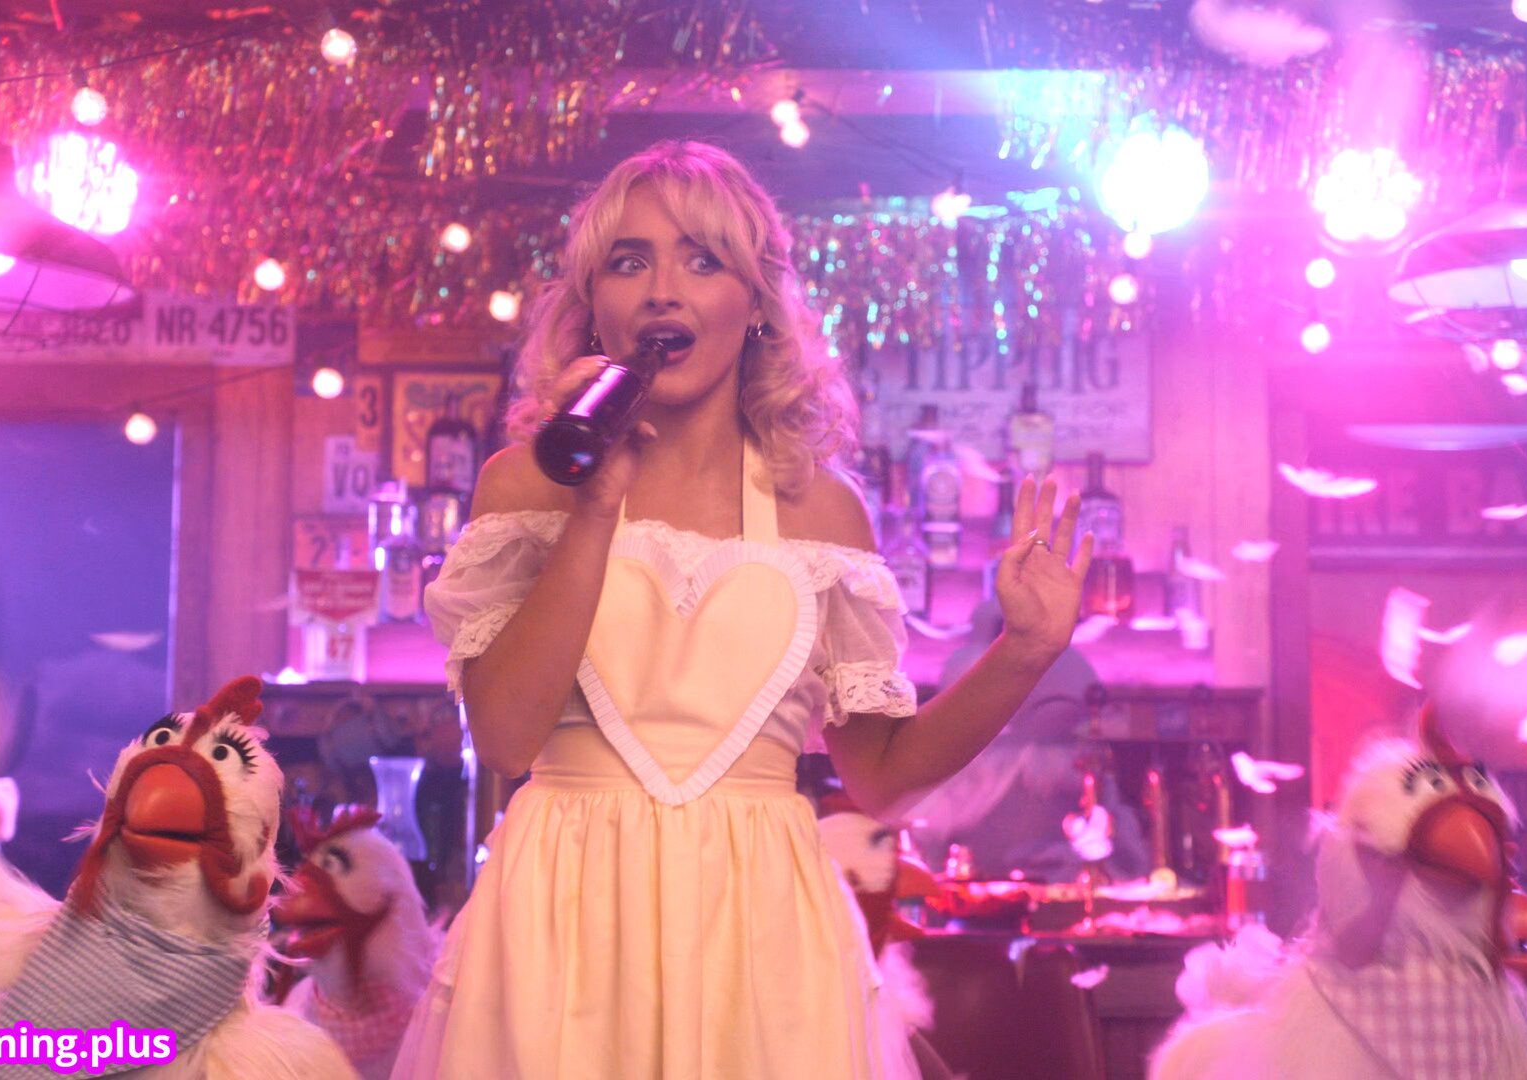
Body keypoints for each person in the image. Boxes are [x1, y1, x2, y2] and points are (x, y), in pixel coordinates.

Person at [392, 139, 1092, 1079]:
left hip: (760, 935)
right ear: (594, 303)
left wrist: (1026, 650)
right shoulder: (525, 486)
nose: (662, 292)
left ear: (756, 304)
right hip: (558, 918)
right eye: (629, 262)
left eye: (702, 260)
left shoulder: (822, 509)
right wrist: (593, 507)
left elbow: (883, 781)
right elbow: (507, 739)